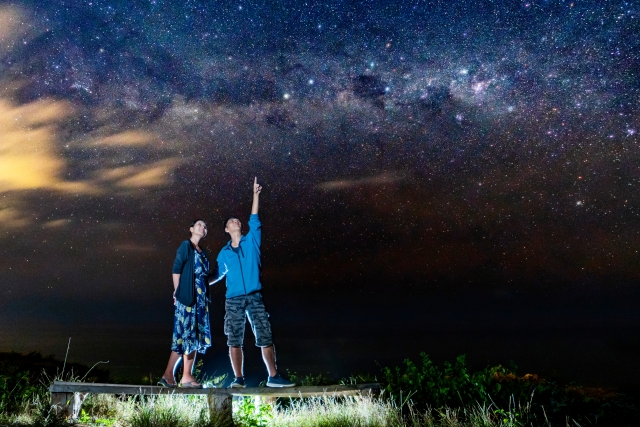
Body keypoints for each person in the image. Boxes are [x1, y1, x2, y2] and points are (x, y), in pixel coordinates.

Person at [210, 177, 295, 388]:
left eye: (238, 220)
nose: (236, 222)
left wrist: (255, 195)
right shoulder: (224, 253)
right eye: (231, 222)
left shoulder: (252, 241)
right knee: (234, 338)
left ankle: (273, 377)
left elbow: (254, 218)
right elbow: (217, 274)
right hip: (233, 299)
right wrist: (199, 284)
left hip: (255, 296)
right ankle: (238, 379)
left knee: (265, 334)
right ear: (226, 230)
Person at [158, 219, 212, 388]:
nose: (202, 227)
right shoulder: (185, 246)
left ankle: (187, 376)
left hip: (200, 302)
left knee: (194, 337)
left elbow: (205, 278)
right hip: (187, 298)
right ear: (191, 229)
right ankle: (168, 375)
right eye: (199, 224)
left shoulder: (203, 252)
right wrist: (177, 292)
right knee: (183, 336)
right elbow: (176, 268)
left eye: (204, 226)